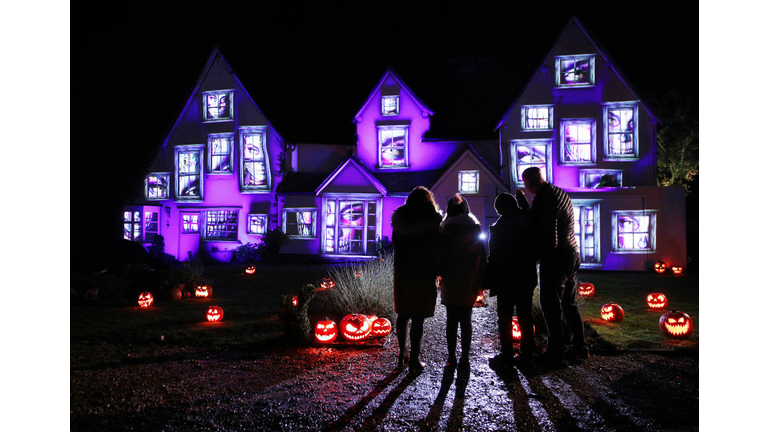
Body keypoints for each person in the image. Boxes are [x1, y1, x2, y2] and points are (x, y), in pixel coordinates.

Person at [521, 167, 589, 367]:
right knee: (569, 303)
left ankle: (555, 352)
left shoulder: (545, 198)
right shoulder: (559, 192)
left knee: (550, 305)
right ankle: (579, 346)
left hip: (556, 258)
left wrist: (538, 256)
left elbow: (550, 234)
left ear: (530, 183)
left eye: (526, 185)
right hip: (572, 254)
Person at [391, 186, 443, 373]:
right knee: (418, 316)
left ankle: (402, 353)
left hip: (404, 270)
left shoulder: (400, 220)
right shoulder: (433, 221)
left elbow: (395, 244)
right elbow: (437, 248)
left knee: (403, 313)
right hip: (424, 270)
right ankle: (414, 359)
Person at [486, 191, 538, 371]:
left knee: (505, 317)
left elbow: (494, 257)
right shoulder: (528, 220)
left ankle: (507, 354)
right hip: (526, 275)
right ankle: (527, 354)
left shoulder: (500, 228)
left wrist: (488, 277)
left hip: (506, 277)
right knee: (525, 316)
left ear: (501, 209)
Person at [438, 194, 486, 377]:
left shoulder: (445, 230)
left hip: (451, 279)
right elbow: (482, 256)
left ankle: (451, 357)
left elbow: (440, 256)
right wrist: (481, 281)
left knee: (451, 320)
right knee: (466, 320)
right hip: (469, 279)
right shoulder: (475, 229)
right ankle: (465, 358)